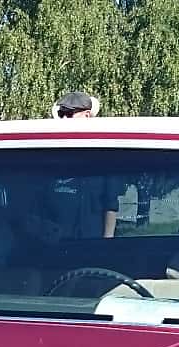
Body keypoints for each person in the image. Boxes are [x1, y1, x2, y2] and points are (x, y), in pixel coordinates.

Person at [46, 92, 118, 239]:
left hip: (93, 246)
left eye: (69, 113)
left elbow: (110, 205)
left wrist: (107, 243)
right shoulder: (49, 157)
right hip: (55, 247)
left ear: (86, 115)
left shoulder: (104, 157)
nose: (64, 118)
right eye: (61, 113)